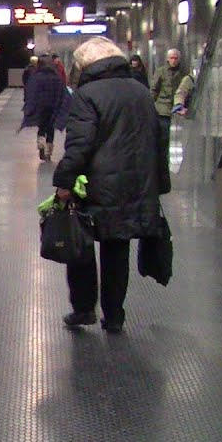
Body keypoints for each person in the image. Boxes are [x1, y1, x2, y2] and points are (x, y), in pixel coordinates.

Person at [53, 37, 168, 333]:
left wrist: (64, 182)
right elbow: (158, 139)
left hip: (97, 184)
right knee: (117, 250)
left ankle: (83, 309)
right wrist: (159, 184)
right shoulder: (141, 91)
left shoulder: (87, 94)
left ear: (86, 65)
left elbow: (79, 145)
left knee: (81, 247)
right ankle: (114, 316)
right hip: (135, 185)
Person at [149, 48, 193, 186]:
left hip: (177, 111)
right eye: (171, 58)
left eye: (176, 58)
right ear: (167, 59)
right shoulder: (161, 72)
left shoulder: (183, 74)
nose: (173, 60)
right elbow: (154, 89)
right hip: (162, 109)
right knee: (163, 139)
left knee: (175, 139)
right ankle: (163, 164)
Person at [20, 55, 70, 162]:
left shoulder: (36, 77)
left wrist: (29, 107)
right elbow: (63, 94)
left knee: (42, 127)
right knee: (51, 128)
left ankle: (40, 143)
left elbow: (30, 92)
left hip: (41, 107)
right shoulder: (56, 78)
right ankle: (48, 151)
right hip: (53, 107)